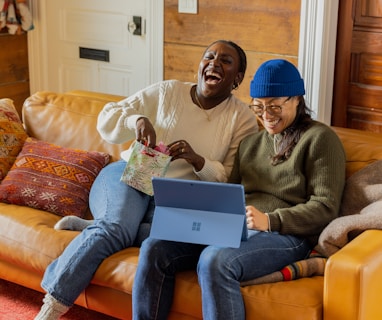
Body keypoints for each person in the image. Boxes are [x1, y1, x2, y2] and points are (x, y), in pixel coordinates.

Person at [34, 40, 258, 320]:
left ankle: (95, 227)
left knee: (177, 234)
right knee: (116, 228)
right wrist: (137, 121)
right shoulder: (168, 91)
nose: (214, 63)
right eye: (209, 57)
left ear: (237, 78)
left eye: (225, 61)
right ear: (200, 65)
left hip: (177, 196)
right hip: (130, 173)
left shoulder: (243, 119)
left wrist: (197, 160)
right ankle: (51, 307)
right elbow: (107, 118)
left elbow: (229, 177)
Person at [132, 59, 346, 320]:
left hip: (286, 234)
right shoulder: (250, 144)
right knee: (155, 246)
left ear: (297, 99)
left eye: (275, 106)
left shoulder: (321, 139)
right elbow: (231, 194)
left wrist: (271, 220)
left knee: (215, 260)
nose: (266, 115)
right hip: (237, 227)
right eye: (259, 106)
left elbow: (326, 207)